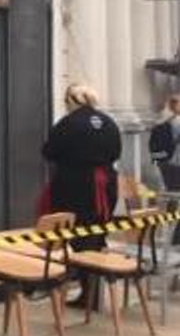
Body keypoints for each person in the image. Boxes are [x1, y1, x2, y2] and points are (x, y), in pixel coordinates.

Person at [42, 84, 122, 252]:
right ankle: (97, 259)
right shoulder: (108, 122)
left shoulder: (68, 123)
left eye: (66, 100)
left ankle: (83, 268)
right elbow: (116, 152)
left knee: (77, 228)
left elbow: (49, 151)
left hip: (76, 183)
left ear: (73, 100)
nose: (66, 105)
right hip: (107, 182)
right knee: (99, 225)